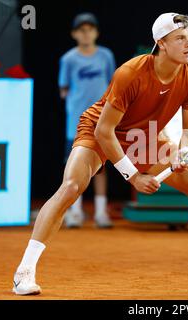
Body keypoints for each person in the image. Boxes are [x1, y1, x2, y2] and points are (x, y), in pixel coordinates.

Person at [12, 12, 188, 296]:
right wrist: (134, 177)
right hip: (100, 129)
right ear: (161, 43)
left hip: (145, 136)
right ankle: (24, 272)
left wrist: (181, 153)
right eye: (180, 38)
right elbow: (104, 132)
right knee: (70, 187)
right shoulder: (130, 73)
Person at [58, 13, 116, 228]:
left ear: (96, 33)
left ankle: (101, 213)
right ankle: (75, 212)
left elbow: (113, 85)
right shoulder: (68, 59)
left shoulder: (106, 56)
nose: (86, 33)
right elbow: (63, 89)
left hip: (102, 122)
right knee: (74, 167)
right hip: (75, 122)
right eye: (81, 29)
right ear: (74, 34)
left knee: (101, 167)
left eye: (90, 29)